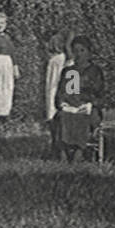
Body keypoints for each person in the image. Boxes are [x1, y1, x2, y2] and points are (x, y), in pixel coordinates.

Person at [55, 35, 104, 162]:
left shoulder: (95, 71)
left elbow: (100, 95)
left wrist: (90, 104)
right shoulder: (68, 71)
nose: (79, 54)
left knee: (84, 117)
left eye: (82, 51)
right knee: (62, 116)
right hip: (71, 106)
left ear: (89, 52)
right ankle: (64, 152)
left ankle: (79, 150)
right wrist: (63, 103)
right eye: (75, 51)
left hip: (88, 107)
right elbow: (61, 92)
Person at [0, 13, 19, 122]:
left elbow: (12, 53)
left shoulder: (7, 37)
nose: (0, 25)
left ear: (6, 24)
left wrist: (15, 67)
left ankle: (5, 113)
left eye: (2, 23)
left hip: (8, 64)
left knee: (8, 87)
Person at [43, 30, 69, 158]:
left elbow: (52, 81)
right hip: (62, 93)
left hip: (55, 92)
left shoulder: (55, 60)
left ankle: (56, 148)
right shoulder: (65, 60)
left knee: (54, 122)